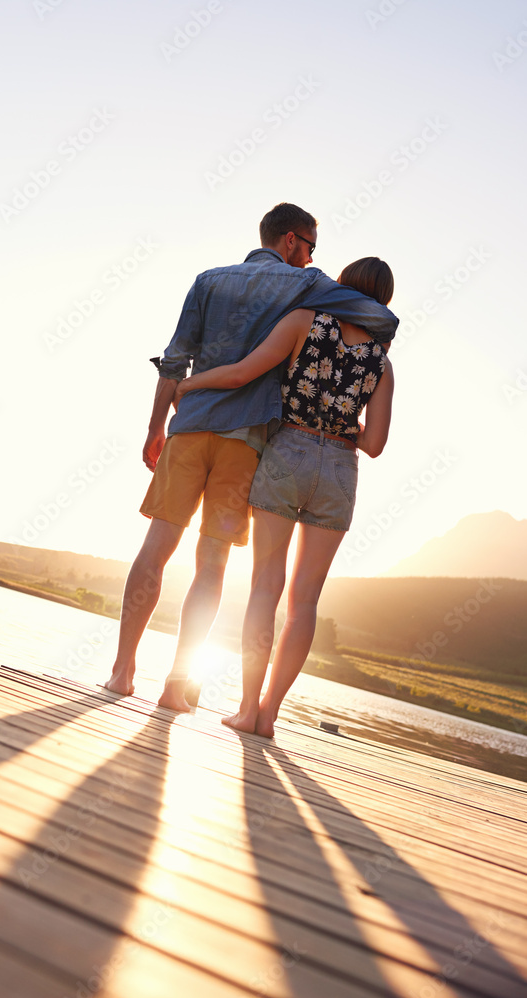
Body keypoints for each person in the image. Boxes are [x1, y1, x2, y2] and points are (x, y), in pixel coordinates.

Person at [103, 203, 399, 712]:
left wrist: (157, 424)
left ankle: (122, 671)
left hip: (191, 423)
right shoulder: (307, 288)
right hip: (247, 441)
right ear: (290, 241)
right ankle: (181, 683)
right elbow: (379, 317)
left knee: (156, 549)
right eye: (309, 248)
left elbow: (175, 358)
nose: (310, 260)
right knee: (213, 563)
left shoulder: (209, 280)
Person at [173, 257, 395, 735]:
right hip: (339, 470)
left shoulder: (303, 322)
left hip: (287, 452)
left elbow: (240, 374)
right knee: (305, 603)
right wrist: (338, 426)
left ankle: (247, 707)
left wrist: (191, 383)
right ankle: (270, 715)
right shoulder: (382, 361)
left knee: (264, 587)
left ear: (342, 285)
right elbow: (374, 445)